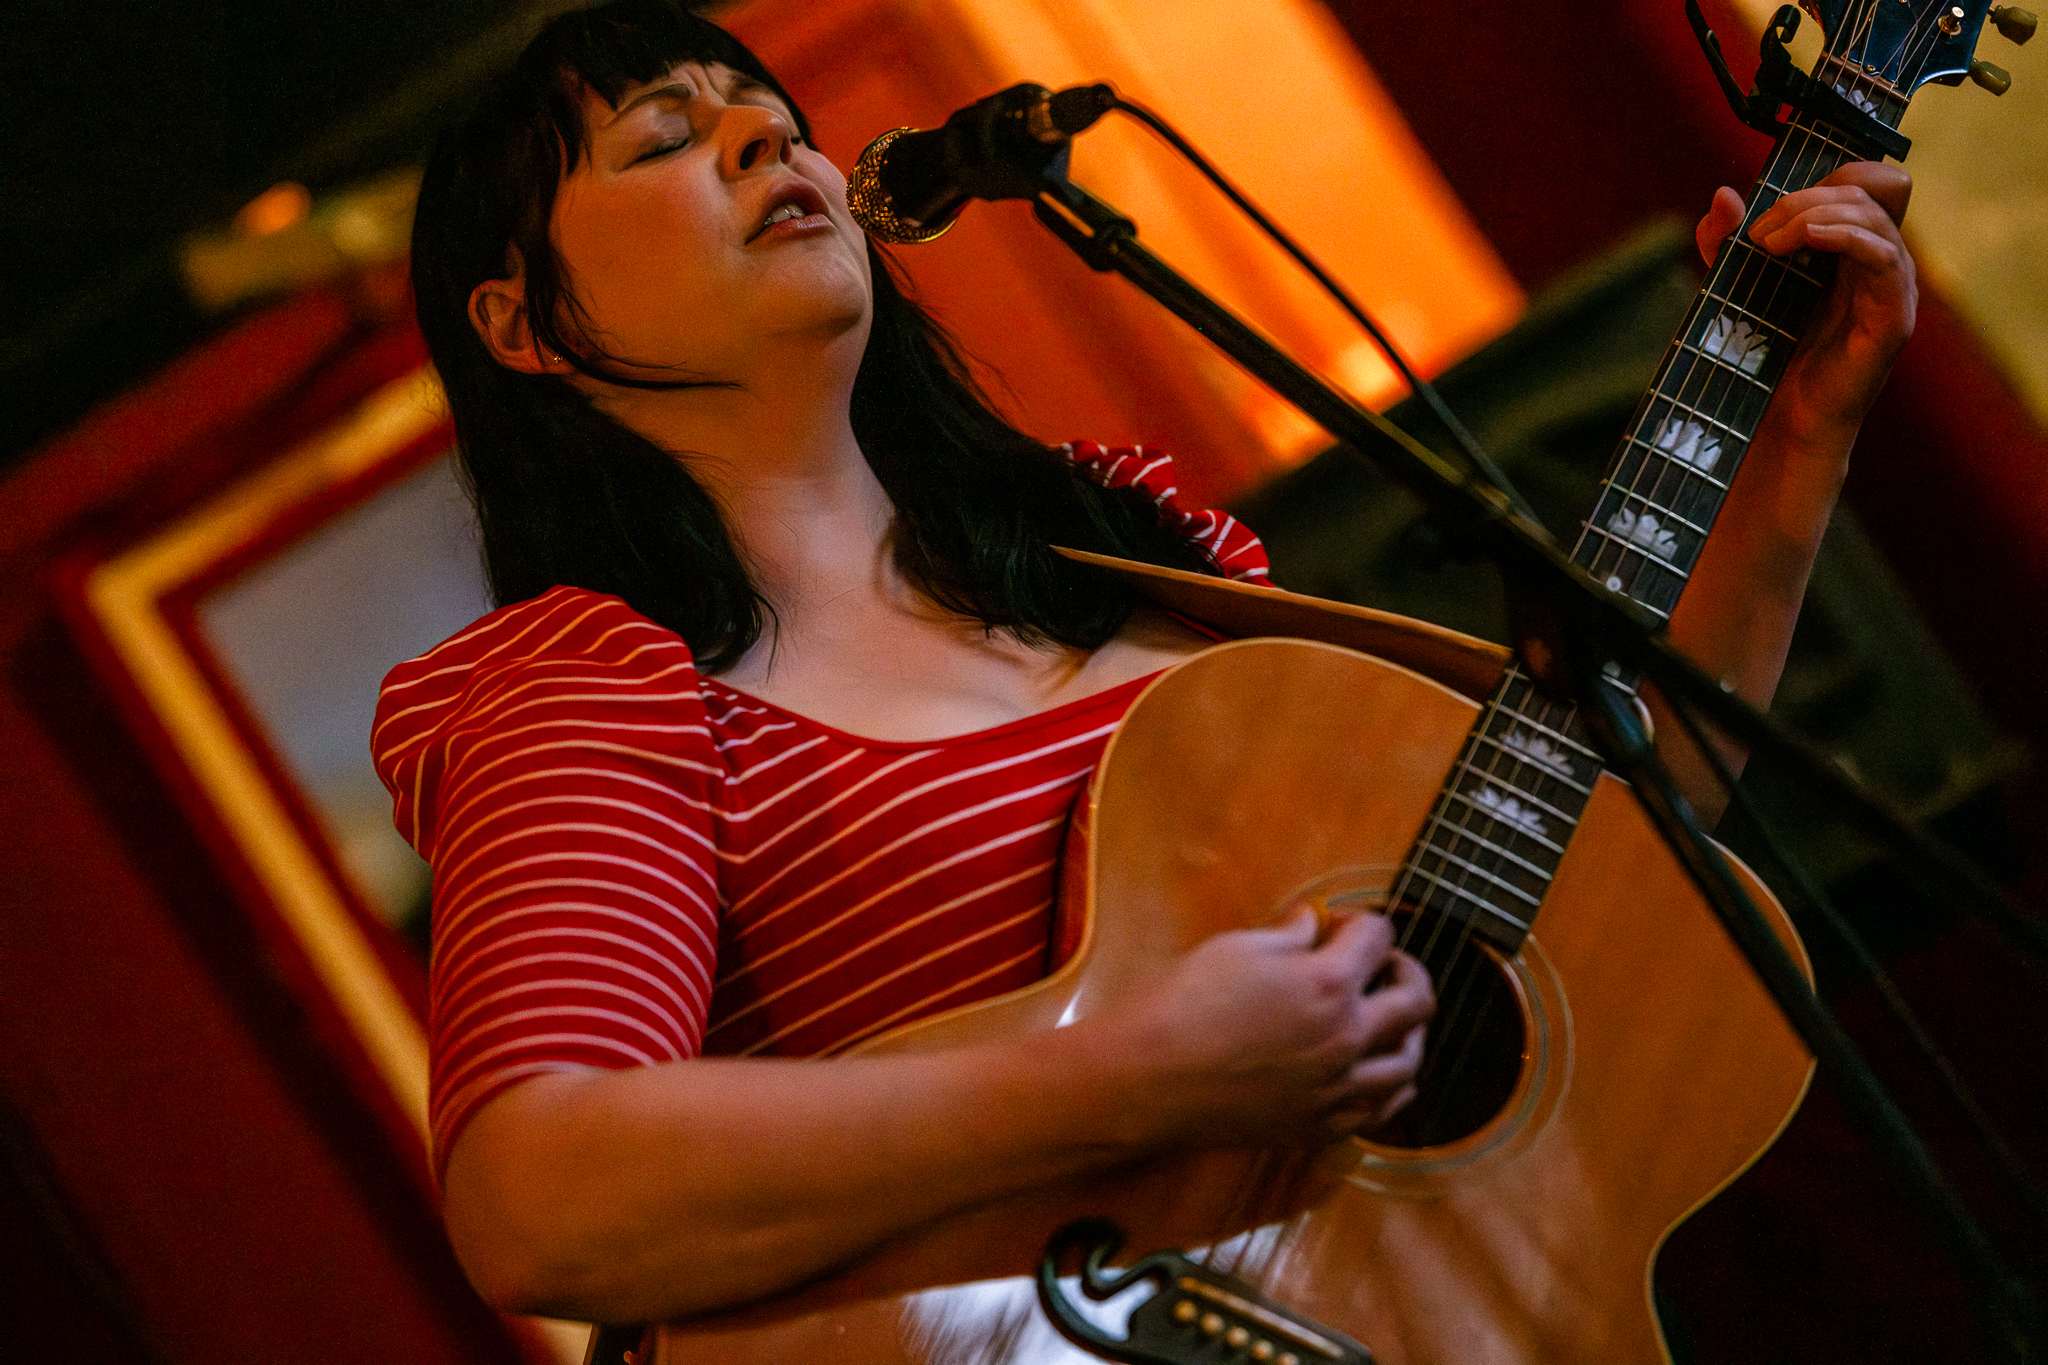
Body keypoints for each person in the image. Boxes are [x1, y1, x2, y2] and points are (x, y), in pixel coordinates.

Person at [374, 0, 1916, 1328]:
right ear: (523, 326)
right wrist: (1134, 1075)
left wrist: (1799, 440)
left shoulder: (1123, 547)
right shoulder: (597, 687)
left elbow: (1615, 831)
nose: (767, 140)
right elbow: (538, 1197)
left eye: (776, 119)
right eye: (664, 139)